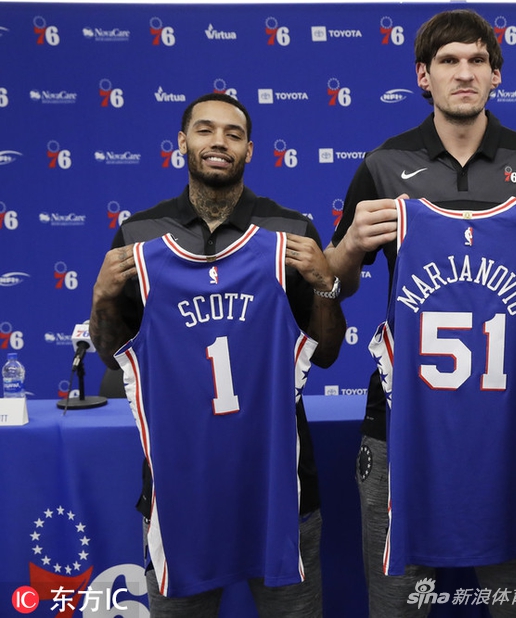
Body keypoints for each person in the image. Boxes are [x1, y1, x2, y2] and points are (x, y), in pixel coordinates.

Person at [324, 9, 516, 617]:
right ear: (424, 76)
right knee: (397, 605)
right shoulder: (383, 164)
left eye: (477, 61)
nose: (464, 73)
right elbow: (335, 283)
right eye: (448, 61)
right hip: (401, 424)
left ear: (496, 75)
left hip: (509, 425)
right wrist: (349, 247)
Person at [89, 92, 345, 617]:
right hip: (178, 488)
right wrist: (101, 298)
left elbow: (325, 354)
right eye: (205, 130)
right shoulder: (140, 236)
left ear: (249, 150)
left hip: (278, 485)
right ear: (182, 142)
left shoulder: (289, 233)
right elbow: (115, 357)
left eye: (233, 134)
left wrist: (326, 287)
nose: (218, 142)